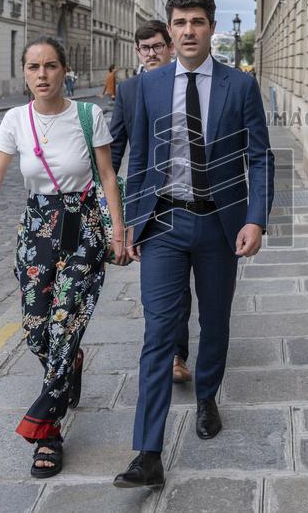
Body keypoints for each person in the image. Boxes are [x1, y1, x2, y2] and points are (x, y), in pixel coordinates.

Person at [113, 0, 274, 488]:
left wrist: (256, 218)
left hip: (218, 224)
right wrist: (131, 223)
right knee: (159, 333)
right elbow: (137, 160)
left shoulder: (239, 87)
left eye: (197, 22)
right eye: (180, 22)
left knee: (216, 319)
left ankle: (207, 396)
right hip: (162, 223)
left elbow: (261, 157)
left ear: (211, 28)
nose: (188, 31)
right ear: (169, 27)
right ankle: (148, 452)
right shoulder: (147, 87)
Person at [0, 36, 129, 479]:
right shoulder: (15, 119)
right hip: (37, 230)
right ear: (25, 73)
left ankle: (46, 432)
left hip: (83, 227)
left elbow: (107, 176)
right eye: (34, 67)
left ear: (64, 70)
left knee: (64, 320)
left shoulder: (88, 116)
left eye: (50, 66)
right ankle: (71, 361)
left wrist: (118, 230)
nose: (42, 75)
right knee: (35, 328)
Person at [109, 21, 194, 385]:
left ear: (170, 47)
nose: (152, 53)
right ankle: (166, 348)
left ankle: (177, 354)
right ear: (137, 51)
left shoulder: (183, 85)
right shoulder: (128, 91)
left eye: (158, 46)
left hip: (180, 198)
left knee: (179, 285)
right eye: (144, 48)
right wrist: (109, 203)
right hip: (145, 202)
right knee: (159, 289)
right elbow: (114, 149)